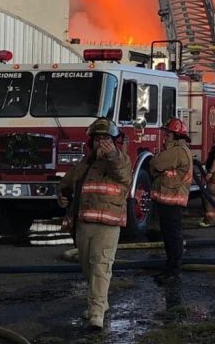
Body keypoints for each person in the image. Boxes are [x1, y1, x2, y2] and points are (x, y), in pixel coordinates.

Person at [58, 118, 132, 330]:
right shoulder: (85, 164)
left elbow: (123, 174)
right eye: (98, 139)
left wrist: (112, 154)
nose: (102, 143)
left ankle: (96, 313)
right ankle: (101, 302)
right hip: (84, 223)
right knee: (87, 266)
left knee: (100, 266)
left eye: (106, 139)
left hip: (108, 224)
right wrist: (62, 196)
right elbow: (66, 183)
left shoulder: (121, 161)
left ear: (115, 142)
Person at [149, 118, 193, 279]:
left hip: (172, 200)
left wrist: (153, 160)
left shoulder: (177, 152)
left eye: (168, 134)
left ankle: (173, 269)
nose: (165, 137)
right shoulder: (177, 150)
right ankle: (172, 267)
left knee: (172, 235)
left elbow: (157, 164)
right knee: (170, 234)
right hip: (170, 199)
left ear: (176, 136)